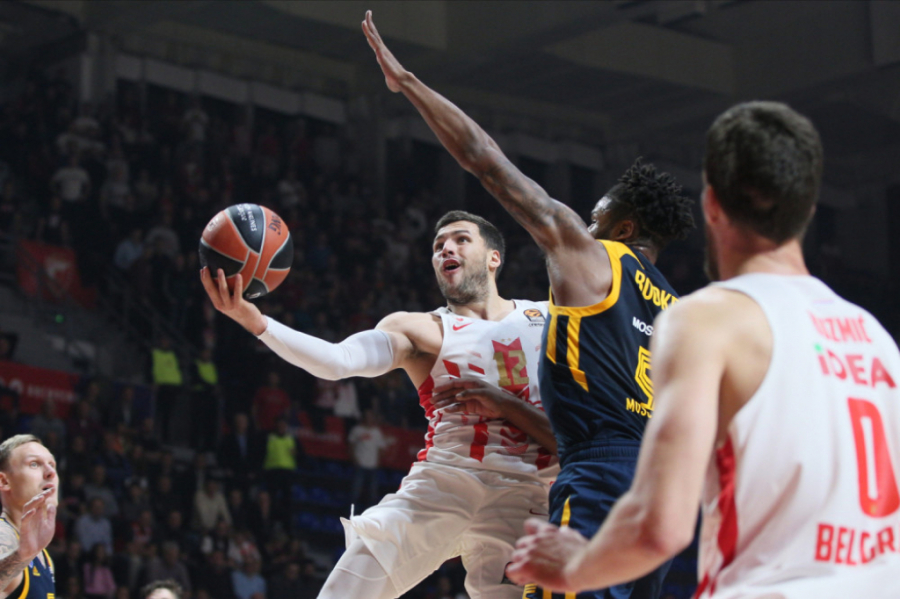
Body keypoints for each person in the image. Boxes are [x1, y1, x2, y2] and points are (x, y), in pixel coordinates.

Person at [362, 11, 694, 599]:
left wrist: (408, 84)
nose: (585, 226)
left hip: (598, 476)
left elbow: (486, 160)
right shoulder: (680, 312)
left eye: (596, 218)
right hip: (662, 499)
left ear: (623, 227)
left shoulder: (593, 257)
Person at [508, 102, 900, 596]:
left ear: (712, 205)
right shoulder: (877, 340)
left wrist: (576, 566)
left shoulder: (710, 320)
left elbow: (662, 528)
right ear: (809, 212)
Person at [201, 206, 559, 599]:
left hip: (525, 495)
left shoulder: (548, 317)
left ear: (494, 258)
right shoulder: (418, 327)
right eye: (438, 245)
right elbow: (337, 361)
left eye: (461, 239)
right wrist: (255, 322)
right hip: (444, 485)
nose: (445, 249)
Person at [0, 435, 59, 599]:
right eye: (34, 464)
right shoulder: (4, 537)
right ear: (4, 481)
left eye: (52, 464)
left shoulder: (42, 554)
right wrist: (20, 557)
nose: (51, 472)